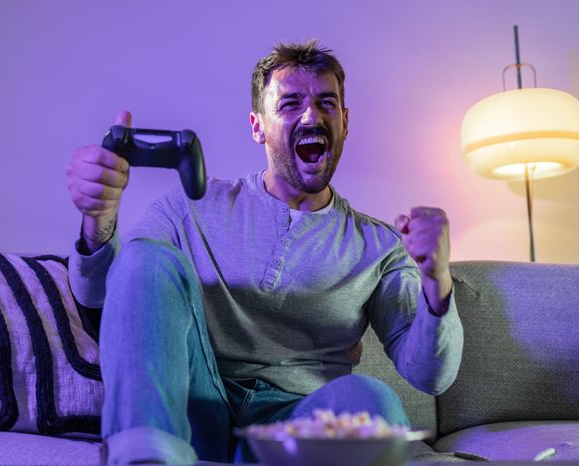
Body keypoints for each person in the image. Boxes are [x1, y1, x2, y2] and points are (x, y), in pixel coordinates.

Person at [66, 40, 463, 465]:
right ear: (258, 126)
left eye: (326, 103)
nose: (311, 115)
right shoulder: (189, 206)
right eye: (290, 104)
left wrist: (437, 282)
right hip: (195, 409)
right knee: (146, 256)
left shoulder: (380, 245)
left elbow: (430, 375)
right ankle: (143, 457)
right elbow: (101, 298)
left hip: (301, 427)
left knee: (370, 397)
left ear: (344, 122)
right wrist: (98, 219)